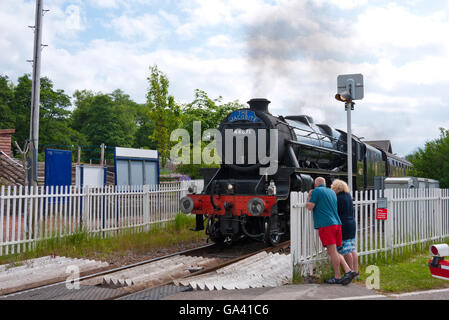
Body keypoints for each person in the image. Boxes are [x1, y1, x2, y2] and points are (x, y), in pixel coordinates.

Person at [306, 177, 354, 285]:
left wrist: (309, 197)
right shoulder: (332, 192)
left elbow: (310, 207)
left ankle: (337, 276)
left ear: (315, 184)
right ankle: (348, 270)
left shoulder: (317, 191)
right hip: (337, 224)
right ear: (325, 183)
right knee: (334, 251)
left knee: (332, 252)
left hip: (326, 225)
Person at [331, 179, 359, 278]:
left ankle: (350, 272)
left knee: (346, 250)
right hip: (352, 223)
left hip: (343, 224)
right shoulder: (348, 196)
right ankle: (356, 271)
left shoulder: (337, 197)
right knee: (352, 249)